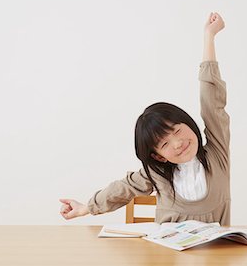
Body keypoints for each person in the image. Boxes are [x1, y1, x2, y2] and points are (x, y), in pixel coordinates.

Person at [59, 12, 231, 225]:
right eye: (165, 143)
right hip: (168, 255)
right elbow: (122, 189)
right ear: (158, 156)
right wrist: (85, 208)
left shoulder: (217, 155)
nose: (178, 143)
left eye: (177, 130)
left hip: (216, 254)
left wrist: (209, 37)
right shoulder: (156, 172)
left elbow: (212, 100)